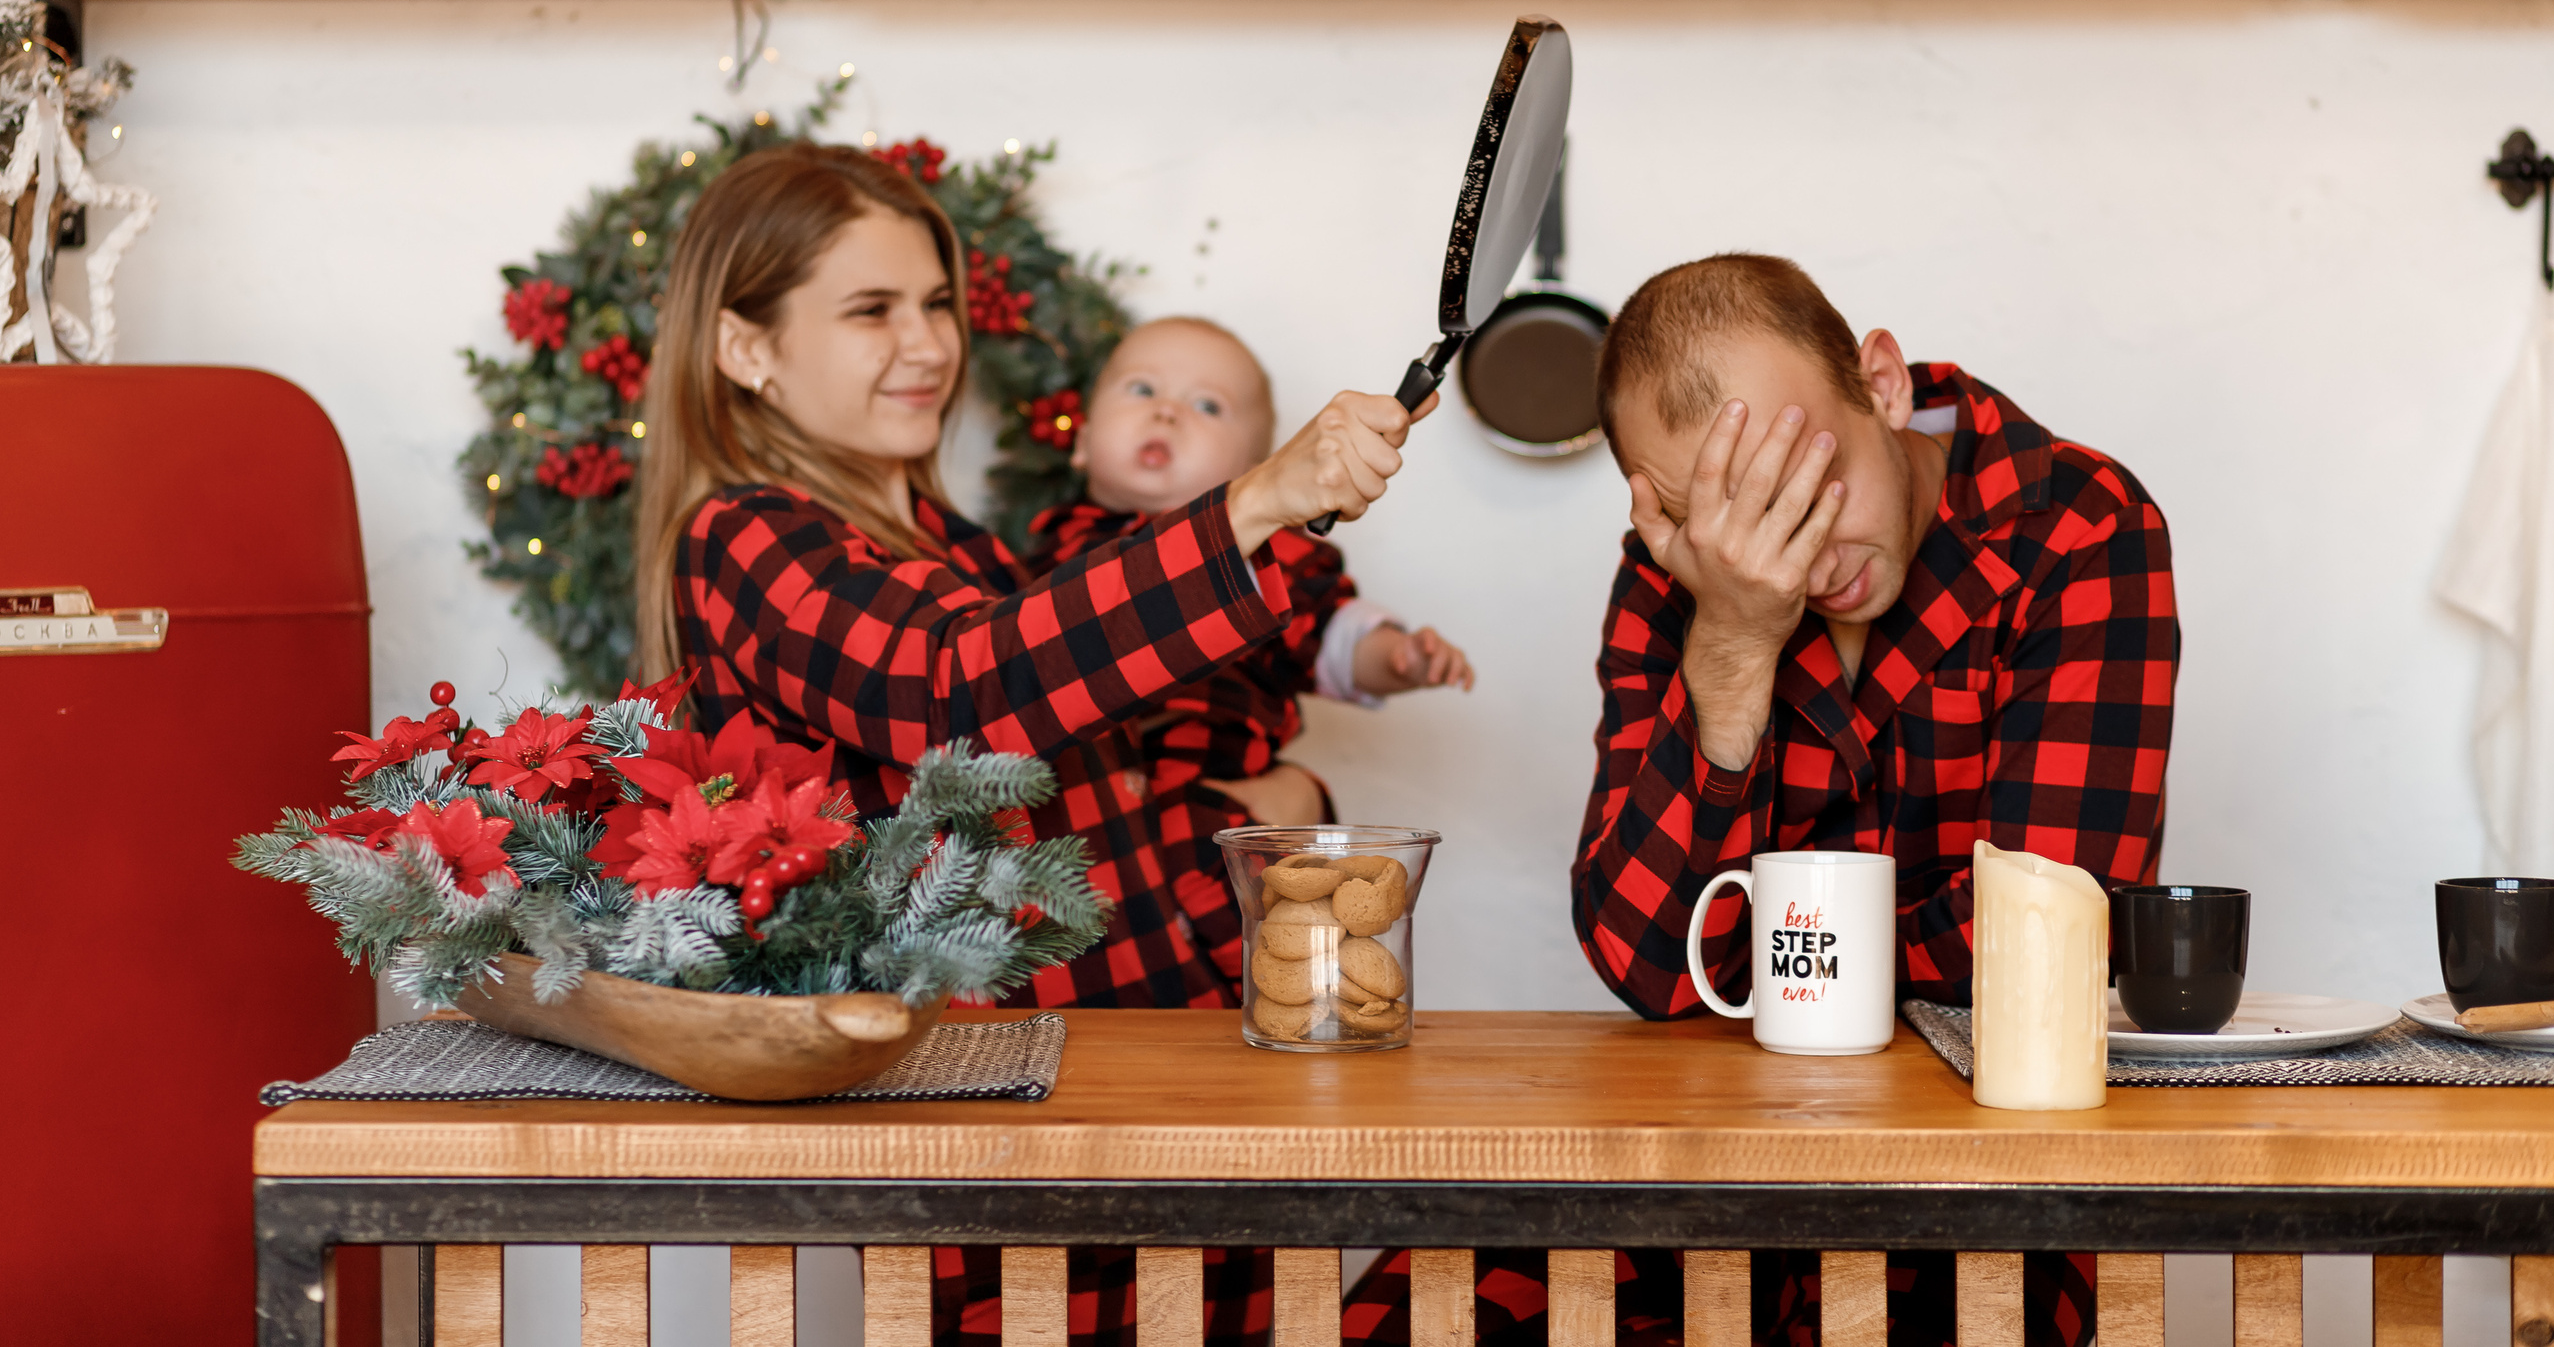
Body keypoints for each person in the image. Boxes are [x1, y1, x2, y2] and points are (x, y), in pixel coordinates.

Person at [632, 144, 1434, 1347]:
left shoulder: (973, 553)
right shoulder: (743, 539)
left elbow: (1097, 755)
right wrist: (1257, 499)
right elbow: (948, 690)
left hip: (1155, 1064)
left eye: (938, 302)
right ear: (747, 348)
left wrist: (1270, 788)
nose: (928, 343)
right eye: (871, 310)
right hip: (990, 1104)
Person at [1581, 253, 2177, 1347]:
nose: (1790, 562)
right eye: (1725, 517)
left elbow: (2038, 933)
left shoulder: (2080, 525)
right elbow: (1654, 967)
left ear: (1883, 384)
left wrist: (1769, 952)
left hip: (1979, 1184)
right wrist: (1731, 643)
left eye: (1807, 492)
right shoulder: (1692, 574)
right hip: (1702, 1174)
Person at [1028, 316, 1475, 978]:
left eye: (1208, 405)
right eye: (1141, 389)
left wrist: (1396, 657)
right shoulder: (1047, 554)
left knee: (1257, 934)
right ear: (1082, 442)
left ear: (1258, 473)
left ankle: (1235, 1000)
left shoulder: (1265, 556)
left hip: (1210, 796)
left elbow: (1332, 634)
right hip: (1088, 811)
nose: (1168, 412)